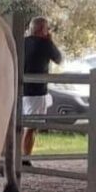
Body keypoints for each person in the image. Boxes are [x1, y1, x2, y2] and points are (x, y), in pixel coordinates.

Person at [22, 16, 62, 165]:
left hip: (19, 89)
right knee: (31, 127)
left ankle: (16, 155)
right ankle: (25, 157)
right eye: (47, 28)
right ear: (42, 30)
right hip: (36, 91)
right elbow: (58, 58)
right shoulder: (45, 44)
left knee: (19, 125)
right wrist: (50, 40)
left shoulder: (21, 42)